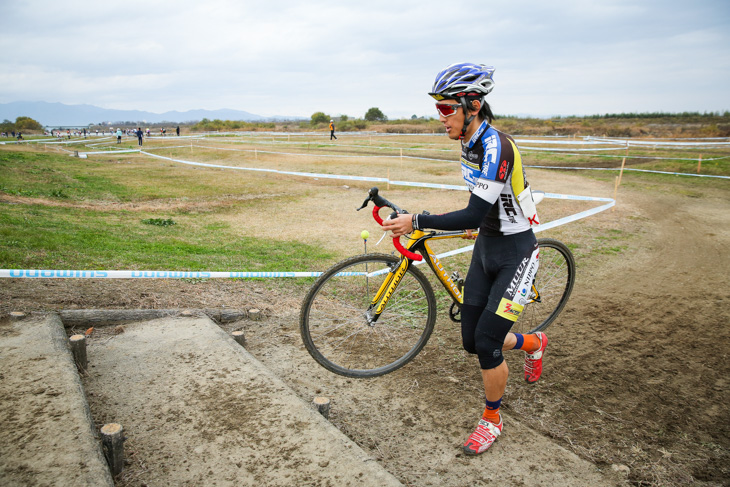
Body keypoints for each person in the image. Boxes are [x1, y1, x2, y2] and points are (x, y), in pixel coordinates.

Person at [381, 62, 545, 456]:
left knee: (487, 342)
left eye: (444, 109)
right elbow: (481, 205)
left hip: (516, 252)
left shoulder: (495, 145)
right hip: (486, 247)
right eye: (438, 109)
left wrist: (416, 220)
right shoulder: (467, 142)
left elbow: (472, 211)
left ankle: (492, 419)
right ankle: (533, 342)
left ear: (471, 105)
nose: (440, 118)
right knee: (472, 342)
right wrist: (475, 223)